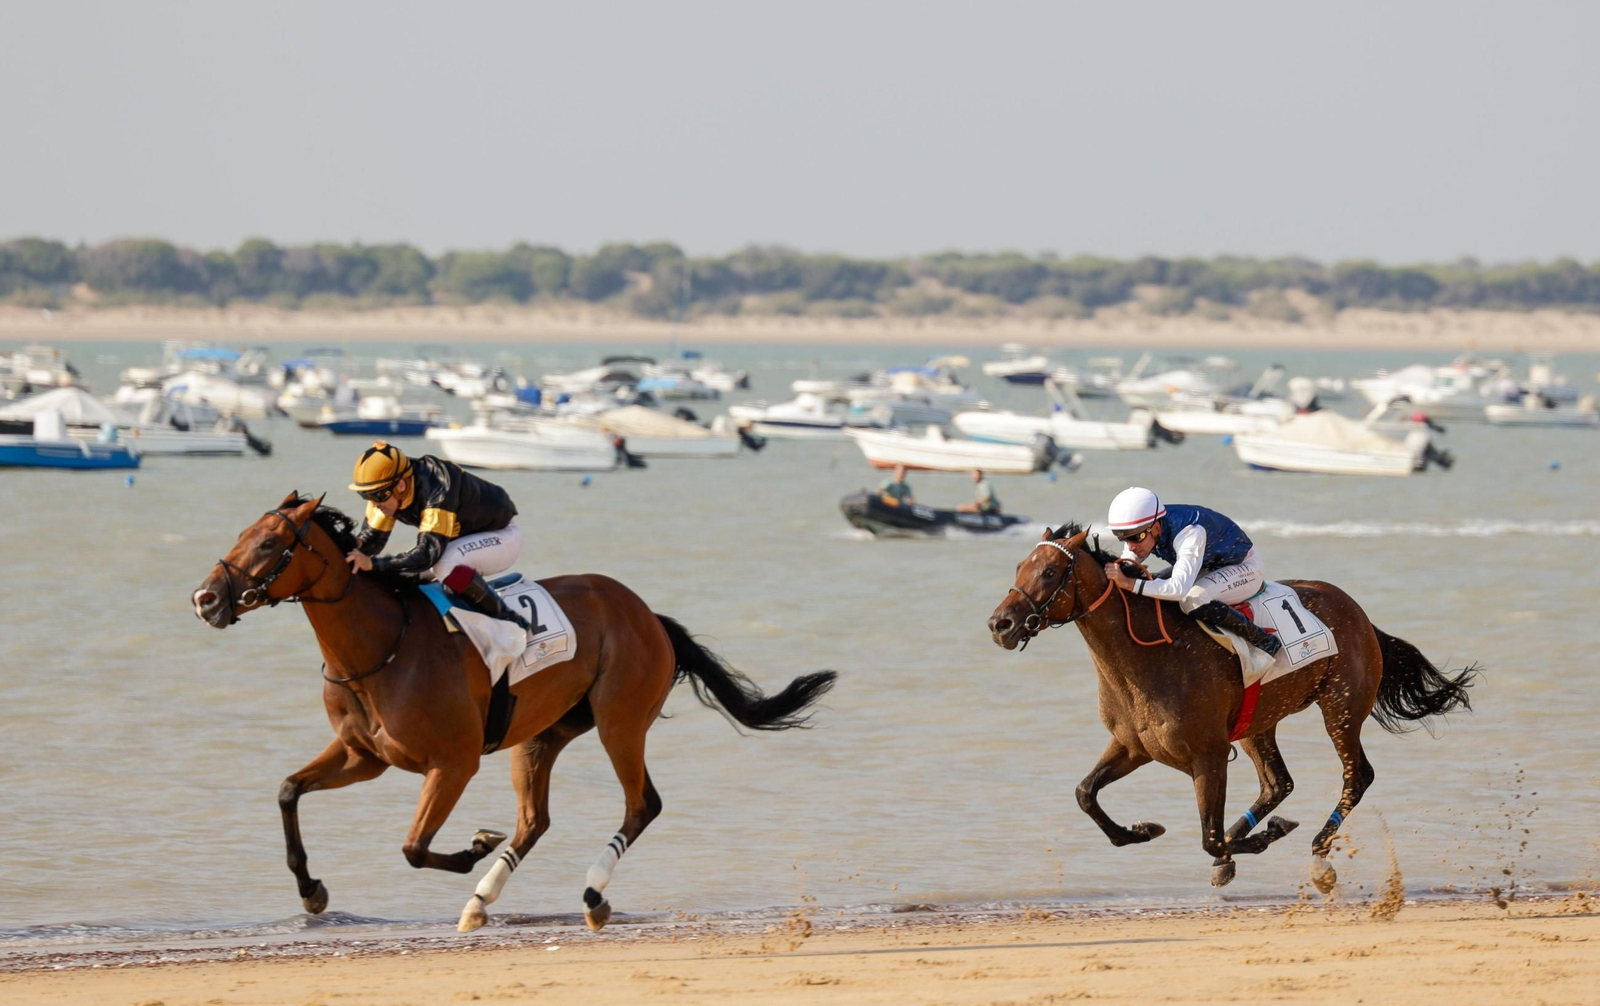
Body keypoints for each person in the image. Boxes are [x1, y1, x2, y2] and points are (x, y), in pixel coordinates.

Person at [346, 440, 530, 631]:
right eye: (366, 496)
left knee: (443, 565)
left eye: (377, 496)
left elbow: (427, 555)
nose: (374, 503)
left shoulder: (438, 485)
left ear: (400, 485)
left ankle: (510, 621)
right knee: (400, 572)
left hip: (501, 536)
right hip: (458, 540)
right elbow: (370, 543)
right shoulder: (386, 493)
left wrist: (374, 564)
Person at [1101, 487, 1280, 660]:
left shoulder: (1190, 532)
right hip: (1208, 564)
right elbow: (1127, 564)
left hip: (1245, 567)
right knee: (1153, 581)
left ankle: (1263, 640)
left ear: (1156, 527)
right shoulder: (1144, 528)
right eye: (1123, 538)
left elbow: (1178, 589)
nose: (1131, 545)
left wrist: (1129, 583)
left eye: (1136, 538)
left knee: (1192, 600)